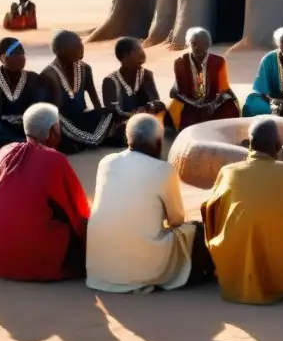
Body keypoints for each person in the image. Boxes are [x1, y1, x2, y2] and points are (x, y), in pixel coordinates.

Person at [202, 117, 283, 304]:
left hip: (234, 258)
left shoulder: (229, 171)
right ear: (278, 146)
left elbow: (208, 210)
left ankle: (221, 262)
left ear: (248, 145)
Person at [86, 114, 214, 293]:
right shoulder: (163, 170)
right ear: (158, 142)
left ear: (128, 138)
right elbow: (177, 220)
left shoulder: (106, 162)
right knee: (196, 230)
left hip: (101, 271)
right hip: (143, 268)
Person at [0, 103, 91, 281]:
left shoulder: (4, 152)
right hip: (34, 259)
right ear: (51, 132)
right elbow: (78, 212)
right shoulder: (55, 160)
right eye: (58, 126)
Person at [40, 30, 118, 154]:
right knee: (57, 120)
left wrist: (100, 114)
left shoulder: (85, 69)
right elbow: (50, 109)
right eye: (75, 47)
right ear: (60, 51)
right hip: (64, 121)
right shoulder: (49, 74)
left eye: (81, 45)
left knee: (111, 112)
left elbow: (94, 99)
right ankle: (92, 141)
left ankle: (83, 142)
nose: (81, 49)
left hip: (82, 117)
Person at [0, 38, 46, 163]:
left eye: (23, 53)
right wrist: (14, 139)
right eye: (16, 53)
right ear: (4, 57)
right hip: (1, 132)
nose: (22, 57)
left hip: (27, 130)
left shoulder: (34, 79)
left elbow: (38, 110)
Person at [167, 27, 240, 131]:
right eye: (194, 44)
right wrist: (194, 104)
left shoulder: (219, 62)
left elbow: (223, 89)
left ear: (208, 44)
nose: (197, 47)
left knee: (230, 110)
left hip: (213, 101)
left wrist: (212, 105)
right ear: (188, 44)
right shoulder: (180, 62)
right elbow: (177, 91)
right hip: (190, 102)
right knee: (177, 115)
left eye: (203, 44)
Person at [101, 37, 167, 134]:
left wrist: (148, 107)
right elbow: (115, 113)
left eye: (142, 49)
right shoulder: (110, 81)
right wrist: (138, 113)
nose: (143, 54)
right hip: (125, 124)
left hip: (145, 119)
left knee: (164, 112)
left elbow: (156, 102)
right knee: (125, 128)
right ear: (125, 56)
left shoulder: (146, 74)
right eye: (138, 50)